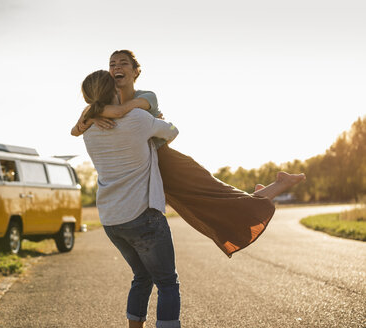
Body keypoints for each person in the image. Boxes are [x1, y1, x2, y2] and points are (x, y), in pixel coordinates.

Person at [72, 50, 306, 258]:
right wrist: (93, 114)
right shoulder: (102, 106)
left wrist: (94, 113)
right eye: (112, 64)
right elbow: (74, 131)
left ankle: (271, 190)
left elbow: (123, 112)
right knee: (203, 209)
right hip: (150, 172)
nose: (116, 68)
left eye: (123, 63)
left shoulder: (146, 96)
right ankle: (261, 194)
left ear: (135, 71)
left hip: (169, 163)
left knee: (214, 199)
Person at [80, 70, 181, 328]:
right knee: (167, 282)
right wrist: (156, 120)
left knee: (142, 277)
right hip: (142, 215)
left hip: (112, 220)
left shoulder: (88, 130)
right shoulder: (138, 118)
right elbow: (172, 132)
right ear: (114, 91)